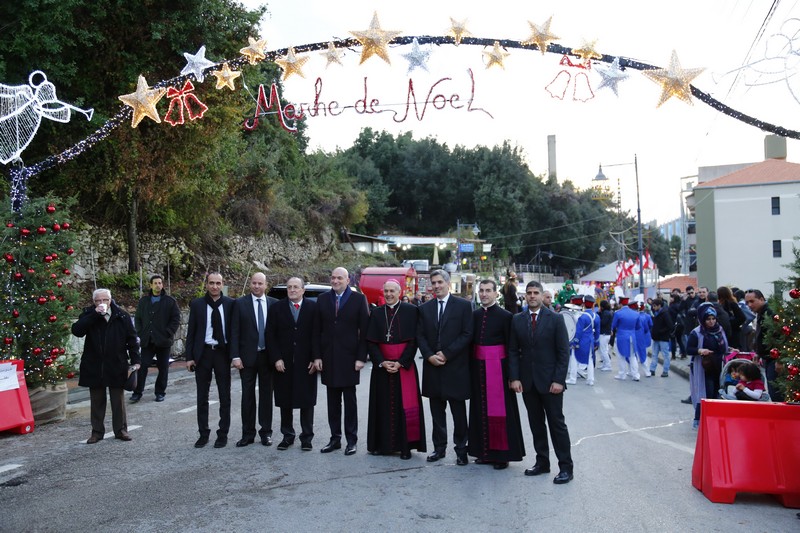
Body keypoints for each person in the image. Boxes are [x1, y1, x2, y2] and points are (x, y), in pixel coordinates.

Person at [508, 280, 573, 484]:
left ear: (542, 295)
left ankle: (565, 467)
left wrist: (558, 380)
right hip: (528, 383)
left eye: (536, 292)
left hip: (551, 383)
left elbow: (563, 352)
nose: (532, 296)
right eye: (529, 293)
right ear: (525, 296)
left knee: (557, 425)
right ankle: (542, 462)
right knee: (536, 425)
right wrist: (515, 377)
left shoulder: (555, 319)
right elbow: (512, 351)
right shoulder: (517, 320)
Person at [417, 268, 473, 466]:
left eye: (440, 282)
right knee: (436, 413)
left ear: (448, 283)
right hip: (433, 368)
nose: (437, 286)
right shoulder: (424, 308)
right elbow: (420, 335)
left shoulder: (464, 306)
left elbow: (467, 334)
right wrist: (429, 355)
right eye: (434, 283)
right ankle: (439, 448)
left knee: (458, 414)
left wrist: (447, 354)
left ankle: (461, 450)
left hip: (455, 367)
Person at [468, 279, 525, 470]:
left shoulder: (506, 316)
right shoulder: (474, 315)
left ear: (495, 294)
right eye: (481, 290)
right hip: (478, 368)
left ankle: (501, 455)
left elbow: (512, 348)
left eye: (488, 291)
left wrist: (513, 375)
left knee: (499, 411)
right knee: (479, 409)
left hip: (498, 370)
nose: (484, 294)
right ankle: (483, 453)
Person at [365, 280, 425, 460]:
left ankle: (405, 446)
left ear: (399, 292)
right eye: (386, 291)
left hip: (403, 366)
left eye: (392, 291)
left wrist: (401, 362)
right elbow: (371, 341)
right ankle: (380, 445)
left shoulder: (411, 311)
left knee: (404, 406)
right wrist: (382, 362)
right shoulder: (376, 313)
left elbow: (414, 340)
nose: (389, 294)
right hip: (382, 367)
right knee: (381, 405)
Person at [72, 288, 140, 444]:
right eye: (98, 301)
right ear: (93, 301)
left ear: (111, 300)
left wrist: (136, 361)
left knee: (118, 400)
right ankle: (97, 432)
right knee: (97, 400)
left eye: (105, 300)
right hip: (94, 364)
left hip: (117, 363)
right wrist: (94, 314)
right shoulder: (89, 314)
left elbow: (132, 339)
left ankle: (121, 430)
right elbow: (77, 331)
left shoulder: (122, 315)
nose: (101, 303)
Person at [316, 267, 370, 456]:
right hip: (329, 358)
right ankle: (335, 438)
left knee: (349, 401)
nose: (335, 281)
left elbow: (365, 331)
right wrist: (317, 356)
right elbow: (317, 330)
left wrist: (361, 357)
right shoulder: (323, 299)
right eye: (333, 277)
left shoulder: (358, 299)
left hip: (350, 359)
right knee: (332, 402)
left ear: (348, 280)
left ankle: (351, 440)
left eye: (340, 278)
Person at [267, 276, 319, 451]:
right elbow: (270, 336)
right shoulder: (276, 308)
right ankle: (287, 435)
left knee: (306, 401)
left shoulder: (313, 308)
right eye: (289, 287)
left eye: (296, 287)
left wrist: (315, 358)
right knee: (285, 401)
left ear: (303, 290)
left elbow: (318, 335)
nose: (292, 290)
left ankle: (307, 437)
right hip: (284, 362)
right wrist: (276, 358)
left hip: (306, 363)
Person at [185, 272, 235, 448]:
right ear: (206, 284)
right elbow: (191, 332)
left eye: (218, 283)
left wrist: (234, 355)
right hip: (203, 354)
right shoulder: (197, 304)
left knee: (224, 396)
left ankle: (223, 434)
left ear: (222, 285)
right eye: (211, 283)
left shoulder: (230, 304)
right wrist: (189, 357)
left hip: (222, 353)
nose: (214, 286)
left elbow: (234, 332)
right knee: (202, 397)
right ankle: (203, 433)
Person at [230, 272, 278, 447]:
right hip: (246, 358)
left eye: (260, 283)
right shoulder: (239, 304)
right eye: (254, 283)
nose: (257, 286)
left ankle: (266, 433)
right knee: (247, 396)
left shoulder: (274, 304)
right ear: (250, 284)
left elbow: (278, 334)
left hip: (268, 357)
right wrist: (235, 356)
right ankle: (247, 434)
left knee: (266, 396)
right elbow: (234, 331)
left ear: (266, 285)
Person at [131, 274, 180, 403]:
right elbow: (138, 318)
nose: (158, 285)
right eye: (155, 283)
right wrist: (140, 332)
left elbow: (175, 320)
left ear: (162, 285)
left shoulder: (170, 301)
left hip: (163, 341)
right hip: (147, 340)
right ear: (151, 285)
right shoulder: (144, 301)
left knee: (163, 368)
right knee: (142, 366)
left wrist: (168, 332)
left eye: (160, 283)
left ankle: (160, 392)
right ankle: (137, 392)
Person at [687, 304, 728, 429]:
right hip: (703, 367)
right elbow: (689, 349)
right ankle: (699, 420)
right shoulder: (697, 333)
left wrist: (730, 349)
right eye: (708, 319)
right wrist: (700, 351)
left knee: (717, 392)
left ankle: (713, 419)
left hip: (718, 366)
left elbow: (723, 346)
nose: (711, 322)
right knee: (705, 392)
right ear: (702, 319)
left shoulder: (719, 330)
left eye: (713, 318)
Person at [745, 289, 782, 402]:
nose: (749, 305)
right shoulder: (762, 312)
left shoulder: (770, 312)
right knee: (774, 392)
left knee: (777, 394)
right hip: (768, 358)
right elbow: (762, 336)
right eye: (747, 302)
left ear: (761, 299)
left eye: (752, 301)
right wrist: (758, 353)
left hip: (774, 359)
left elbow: (781, 335)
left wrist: (780, 360)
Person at [567, 295, 599, 386]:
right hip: (590, 341)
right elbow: (597, 332)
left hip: (581, 341)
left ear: (584, 304)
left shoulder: (582, 317)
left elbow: (579, 331)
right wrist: (597, 342)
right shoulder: (596, 317)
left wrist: (575, 341)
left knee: (574, 358)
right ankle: (590, 380)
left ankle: (573, 379)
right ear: (593, 305)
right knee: (590, 360)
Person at [611, 297, 641, 381]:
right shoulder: (636, 314)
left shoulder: (618, 313)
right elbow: (638, 327)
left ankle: (622, 374)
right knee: (632, 356)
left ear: (620, 304)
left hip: (621, 336)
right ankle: (635, 374)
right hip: (632, 336)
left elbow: (613, 325)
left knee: (621, 356)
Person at [648, 298, 673, 377]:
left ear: (659, 306)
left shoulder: (665, 313)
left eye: (655, 306)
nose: (653, 308)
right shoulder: (656, 313)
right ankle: (652, 370)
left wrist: (660, 331)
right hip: (656, 338)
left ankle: (665, 370)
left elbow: (670, 326)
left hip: (663, 338)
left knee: (665, 355)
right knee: (654, 354)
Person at [717, 286, 745, 350]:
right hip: (731, 332)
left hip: (733, 333)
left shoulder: (730, 304)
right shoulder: (727, 303)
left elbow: (742, 317)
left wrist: (729, 323)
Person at [634, 299, 653, 377]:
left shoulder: (635, 316)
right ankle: (647, 372)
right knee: (644, 353)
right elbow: (650, 326)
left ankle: (634, 371)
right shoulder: (647, 316)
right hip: (645, 336)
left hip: (635, 336)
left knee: (633, 355)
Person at [597, 299, 614, 371]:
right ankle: (605, 363)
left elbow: (602, 323)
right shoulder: (607, 312)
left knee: (603, 350)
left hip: (604, 333)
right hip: (606, 333)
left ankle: (608, 364)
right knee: (603, 350)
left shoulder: (606, 314)